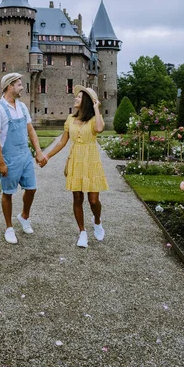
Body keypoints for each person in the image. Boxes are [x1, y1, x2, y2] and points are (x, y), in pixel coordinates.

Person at [41, 85, 108, 248]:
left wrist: (96, 108)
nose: (75, 99)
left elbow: (99, 129)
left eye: (79, 97)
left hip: (91, 161)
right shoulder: (70, 118)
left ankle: (97, 221)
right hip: (75, 161)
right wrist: (47, 156)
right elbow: (63, 141)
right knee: (77, 198)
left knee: (93, 200)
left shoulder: (94, 119)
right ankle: (82, 232)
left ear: (86, 100)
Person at [0, 73, 45, 244]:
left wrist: (38, 151)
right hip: (9, 158)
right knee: (8, 193)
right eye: (19, 85)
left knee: (32, 188)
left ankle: (24, 216)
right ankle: (9, 227)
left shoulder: (22, 107)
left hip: (25, 155)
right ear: (9, 86)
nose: (22, 87)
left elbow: (30, 130)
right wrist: (1, 162)